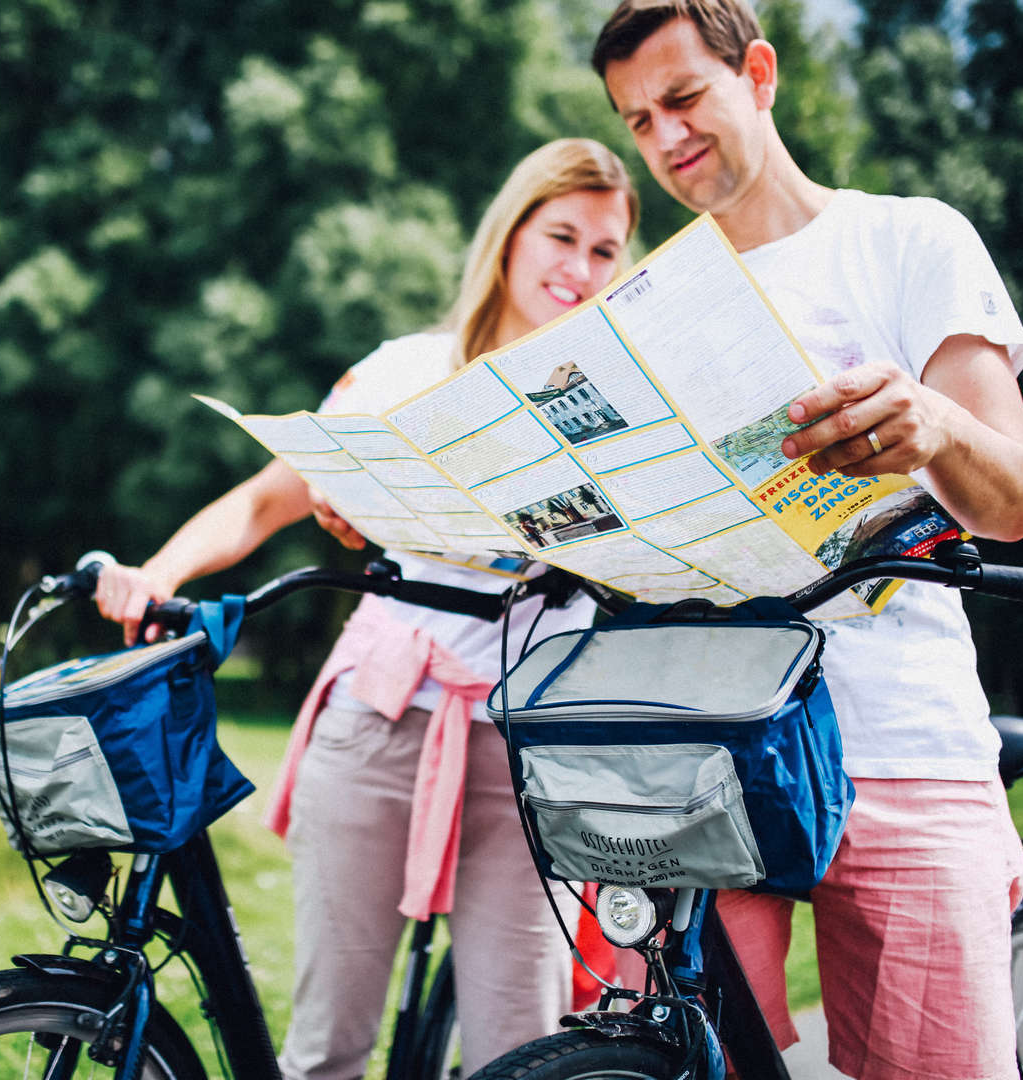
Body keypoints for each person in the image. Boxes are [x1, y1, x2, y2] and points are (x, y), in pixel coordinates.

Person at [94, 138, 639, 1080]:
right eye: (562, 236)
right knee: (330, 1046)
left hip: (530, 743)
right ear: (509, 236)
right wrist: (158, 571)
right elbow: (268, 499)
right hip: (384, 713)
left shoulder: (620, 400)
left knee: (524, 1051)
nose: (580, 269)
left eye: (605, 250)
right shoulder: (404, 371)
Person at [589, 3, 1023, 1079]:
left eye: (683, 98)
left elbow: (1016, 498)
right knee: (671, 1051)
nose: (663, 139)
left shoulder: (904, 237)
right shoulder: (642, 306)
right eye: (637, 121)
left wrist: (934, 425)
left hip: (900, 746)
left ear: (758, 72)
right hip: (708, 752)